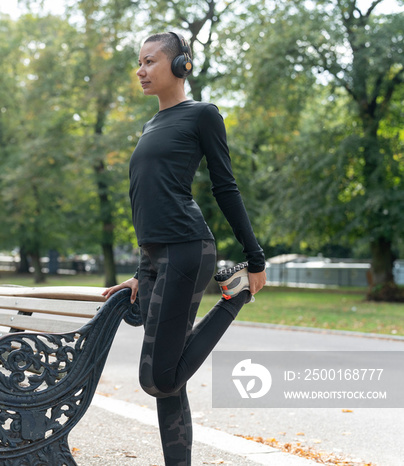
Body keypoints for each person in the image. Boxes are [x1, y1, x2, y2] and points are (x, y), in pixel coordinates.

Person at [102, 31, 267, 465]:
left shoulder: (202, 115)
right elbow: (145, 201)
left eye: (150, 61)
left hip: (186, 248)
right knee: (169, 381)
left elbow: (225, 187)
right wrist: (141, 270)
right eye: (139, 62)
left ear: (180, 66)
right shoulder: (150, 125)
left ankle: (236, 296)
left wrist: (255, 259)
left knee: (156, 377)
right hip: (157, 256)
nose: (140, 70)